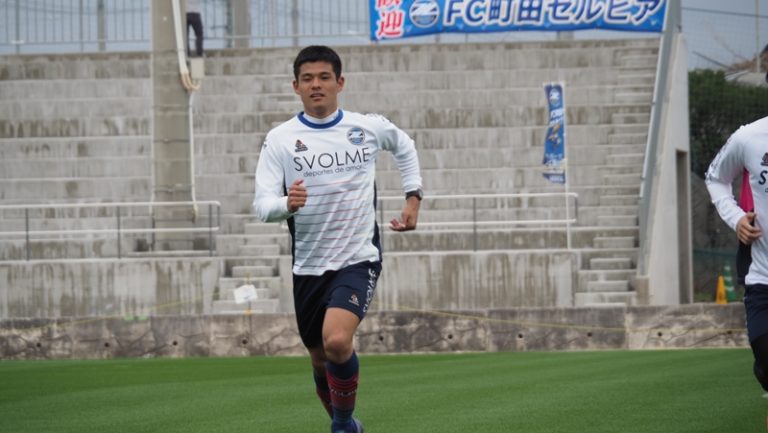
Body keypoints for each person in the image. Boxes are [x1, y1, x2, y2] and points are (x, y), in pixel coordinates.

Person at [252, 45, 423, 433]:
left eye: (324, 77)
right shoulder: (280, 139)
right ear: (296, 86)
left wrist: (413, 198)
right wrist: (285, 204)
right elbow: (262, 205)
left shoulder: (365, 127)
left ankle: (343, 426)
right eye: (308, 78)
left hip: (357, 259)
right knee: (319, 359)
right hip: (308, 266)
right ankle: (347, 425)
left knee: (337, 341)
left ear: (339, 83)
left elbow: (404, 146)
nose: (316, 84)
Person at [706, 115, 768, 393]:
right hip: (762, 274)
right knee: (766, 358)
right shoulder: (748, 137)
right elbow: (715, 178)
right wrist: (737, 218)